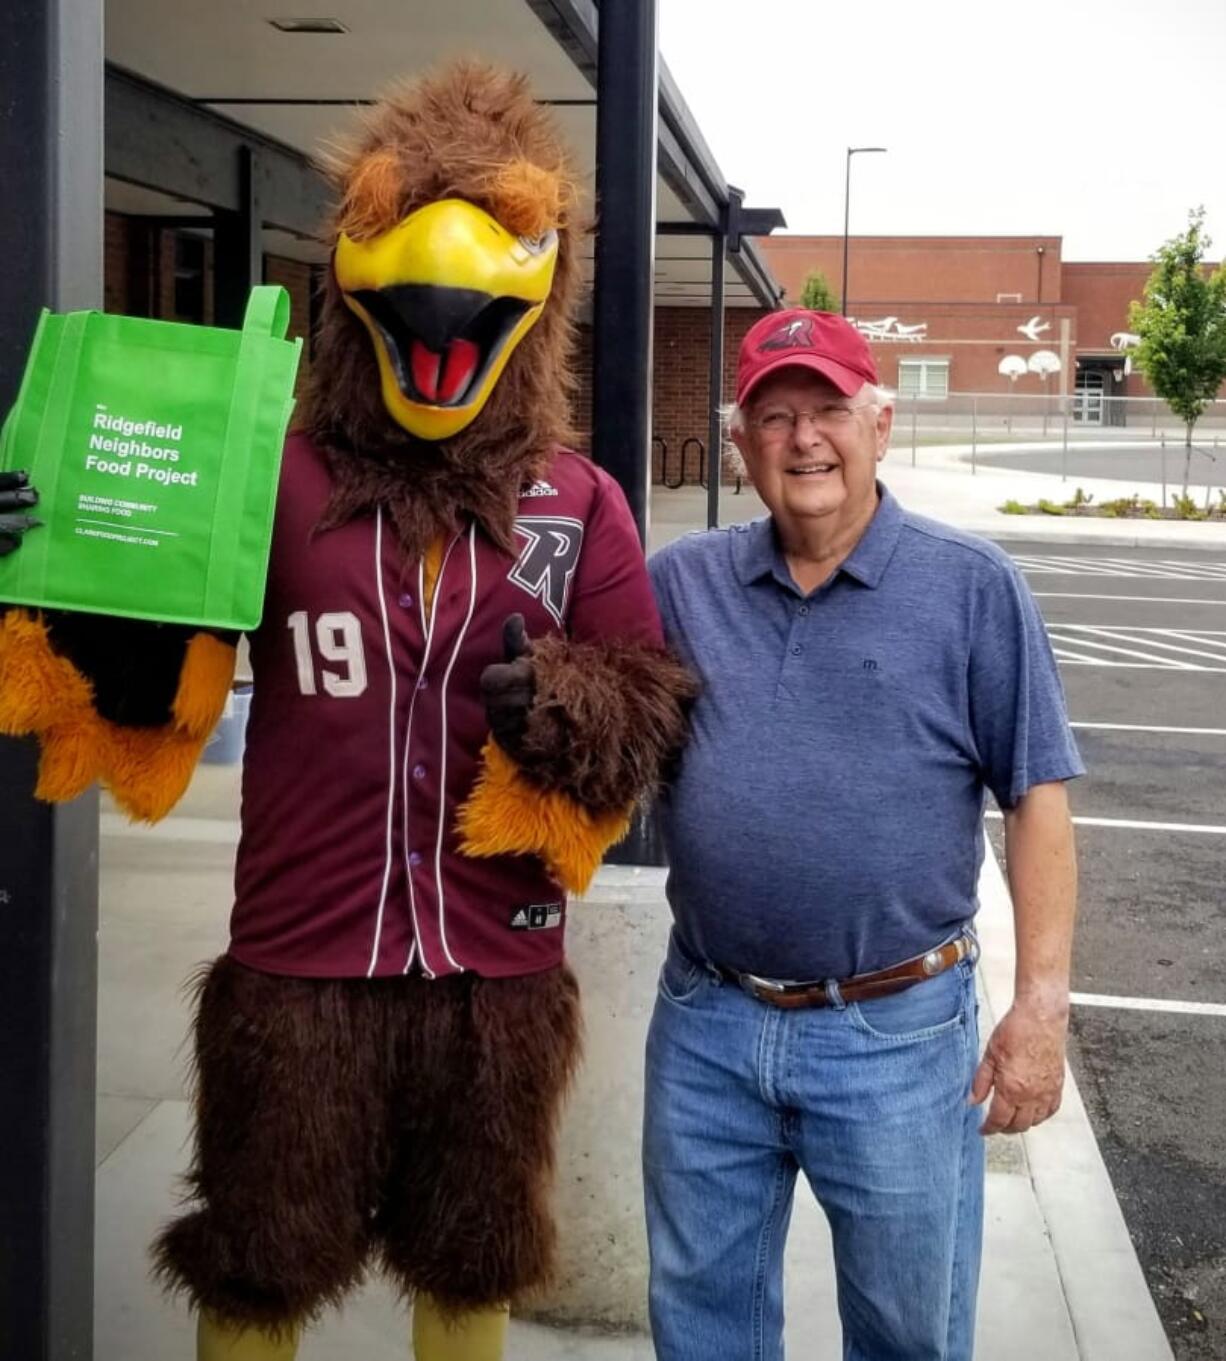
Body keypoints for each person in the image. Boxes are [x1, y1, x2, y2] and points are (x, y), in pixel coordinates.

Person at [643, 308, 1083, 1361]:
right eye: (774, 415)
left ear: (878, 425)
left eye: (828, 409)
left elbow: (1035, 799)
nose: (803, 439)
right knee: (700, 1325)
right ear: (740, 443)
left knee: (904, 1334)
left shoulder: (972, 588)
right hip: (706, 1020)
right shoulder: (680, 585)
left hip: (894, 1034)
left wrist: (1039, 1006)